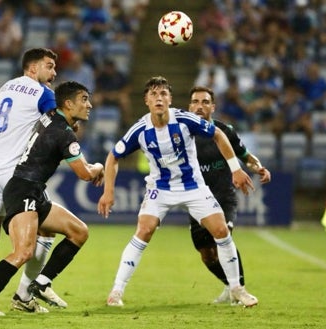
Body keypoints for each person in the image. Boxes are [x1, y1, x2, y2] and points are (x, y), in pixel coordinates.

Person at [97, 76, 258, 308]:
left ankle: (237, 289)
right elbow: (113, 156)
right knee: (144, 230)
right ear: (146, 101)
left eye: (163, 94)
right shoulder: (140, 129)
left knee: (221, 230)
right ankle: (116, 292)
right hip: (160, 189)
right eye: (154, 94)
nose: (159, 98)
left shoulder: (185, 119)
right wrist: (108, 192)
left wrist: (235, 169)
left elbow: (218, 134)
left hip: (192, 186)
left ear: (170, 99)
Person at [0, 81, 104, 316]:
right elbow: (84, 173)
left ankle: (39, 284)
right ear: (68, 103)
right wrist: (99, 166)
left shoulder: (51, 117)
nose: (90, 105)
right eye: (84, 99)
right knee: (23, 252)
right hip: (23, 190)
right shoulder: (64, 133)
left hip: (34, 190)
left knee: (79, 231)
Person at [0, 47, 63, 314]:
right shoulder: (44, 94)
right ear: (33, 68)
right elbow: (60, 124)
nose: (54, 73)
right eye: (49, 66)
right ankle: (23, 294)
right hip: (16, 176)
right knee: (40, 236)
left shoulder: (5, 88)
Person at [187, 86, 271, 304]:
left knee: (223, 237)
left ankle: (238, 289)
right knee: (207, 255)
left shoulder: (225, 131)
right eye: (195, 101)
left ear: (212, 107)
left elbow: (246, 155)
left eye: (205, 102)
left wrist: (258, 167)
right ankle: (228, 284)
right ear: (189, 106)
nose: (200, 106)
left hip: (223, 196)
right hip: (196, 200)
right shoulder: (183, 132)